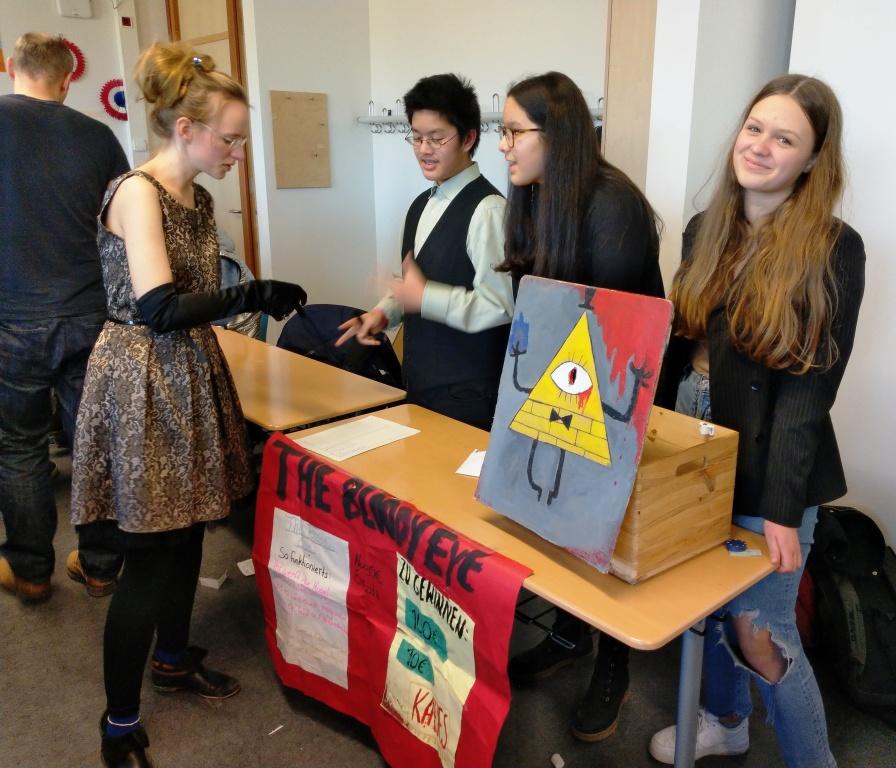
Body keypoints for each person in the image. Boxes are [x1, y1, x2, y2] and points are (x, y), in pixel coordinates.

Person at [70, 42, 306, 767]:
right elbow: (160, 307)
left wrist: (244, 297)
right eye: (229, 138)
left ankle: (172, 659)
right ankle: (118, 722)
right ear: (186, 129)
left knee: (190, 531)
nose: (237, 151)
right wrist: (253, 294)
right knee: (149, 553)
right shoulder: (137, 192)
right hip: (143, 379)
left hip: (187, 373)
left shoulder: (198, 198)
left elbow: (194, 305)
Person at [647, 74, 865, 767]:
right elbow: (679, 345)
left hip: (773, 454)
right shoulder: (703, 229)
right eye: (754, 128)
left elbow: (810, 391)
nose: (761, 146)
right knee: (707, 605)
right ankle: (726, 722)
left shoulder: (834, 247)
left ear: (813, 159)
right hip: (693, 432)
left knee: (760, 630)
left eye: (785, 138)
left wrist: (781, 508)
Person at [497, 71, 664, 742]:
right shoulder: (541, 197)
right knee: (557, 518)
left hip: (617, 391)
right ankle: (570, 636)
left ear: (557, 134)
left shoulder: (612, 205)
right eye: (502, 131)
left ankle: (613, 666)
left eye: (514, 131)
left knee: (606, 530)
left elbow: (611, 332)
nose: (503, 145)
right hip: (565, 383)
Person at [0, 32, 128, 604]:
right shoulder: (98, 137)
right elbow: (122, 226)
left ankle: (29, 571)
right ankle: (101, 565)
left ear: (10, 67)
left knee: (18, 446)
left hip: (11, 317)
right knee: (94, 443)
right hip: (90, 314)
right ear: (68, 79)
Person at [337, 73, 513, 430]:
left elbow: (500, 305)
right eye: (416, 137)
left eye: (436, 138)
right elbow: (412, 286)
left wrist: (424, 297)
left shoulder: (489, 210)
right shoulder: (420, 204)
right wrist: (383, 313)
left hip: (469, 395)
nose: (423, 149)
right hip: (420, 383)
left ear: (468, 138)